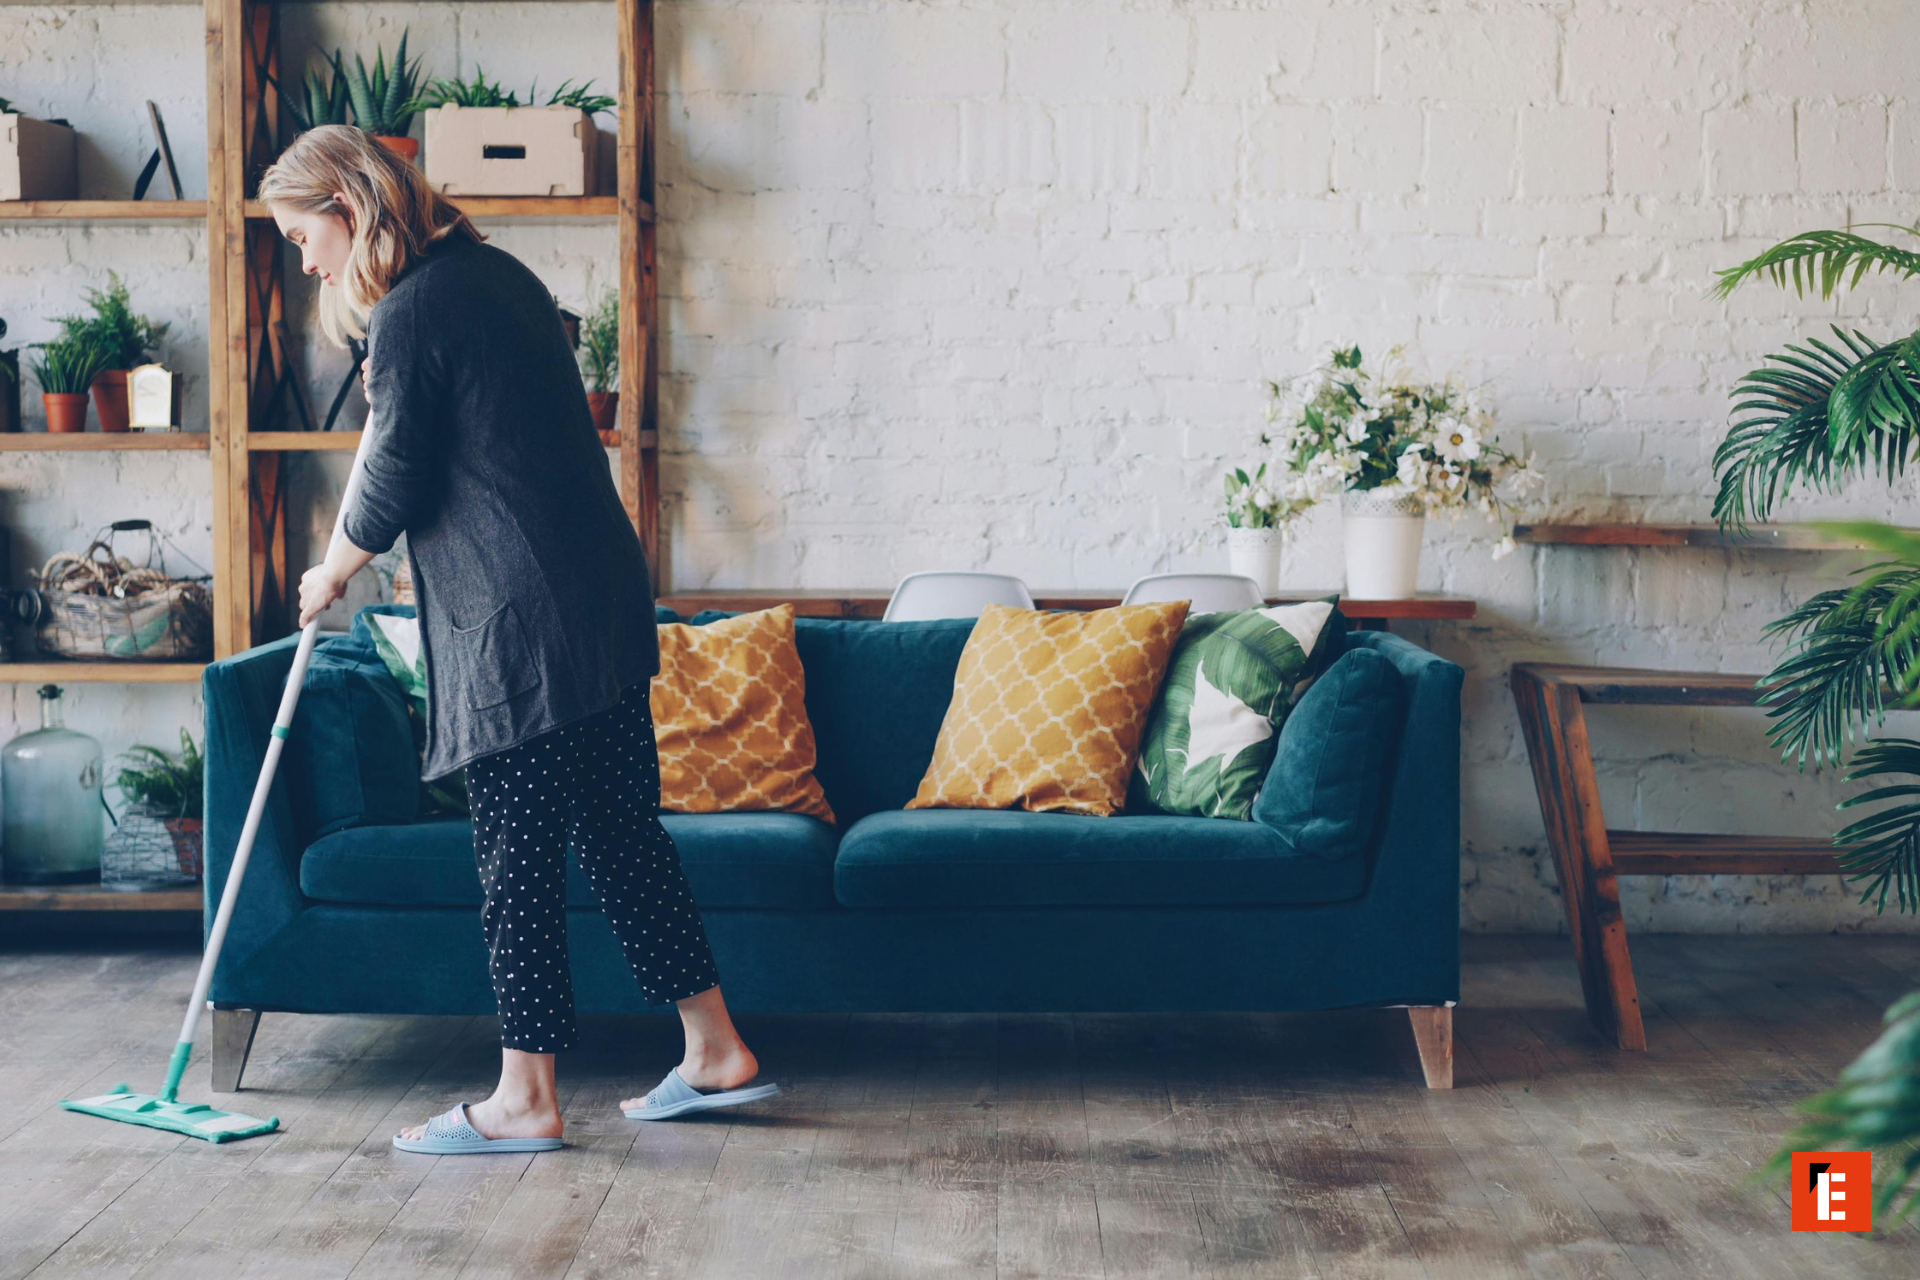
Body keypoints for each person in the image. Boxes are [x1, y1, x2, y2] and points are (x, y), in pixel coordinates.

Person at [258, 124, 777, 1154]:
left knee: (515, 863)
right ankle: (713, 1047)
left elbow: (396, 478)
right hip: (599, 602)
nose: (303, 258)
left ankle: (525, 1096)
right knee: (625, 839)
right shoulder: (494, 277)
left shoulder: (412, 313)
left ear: (347, 210)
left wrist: (330, 571)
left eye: (300, 234)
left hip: (522, 630)